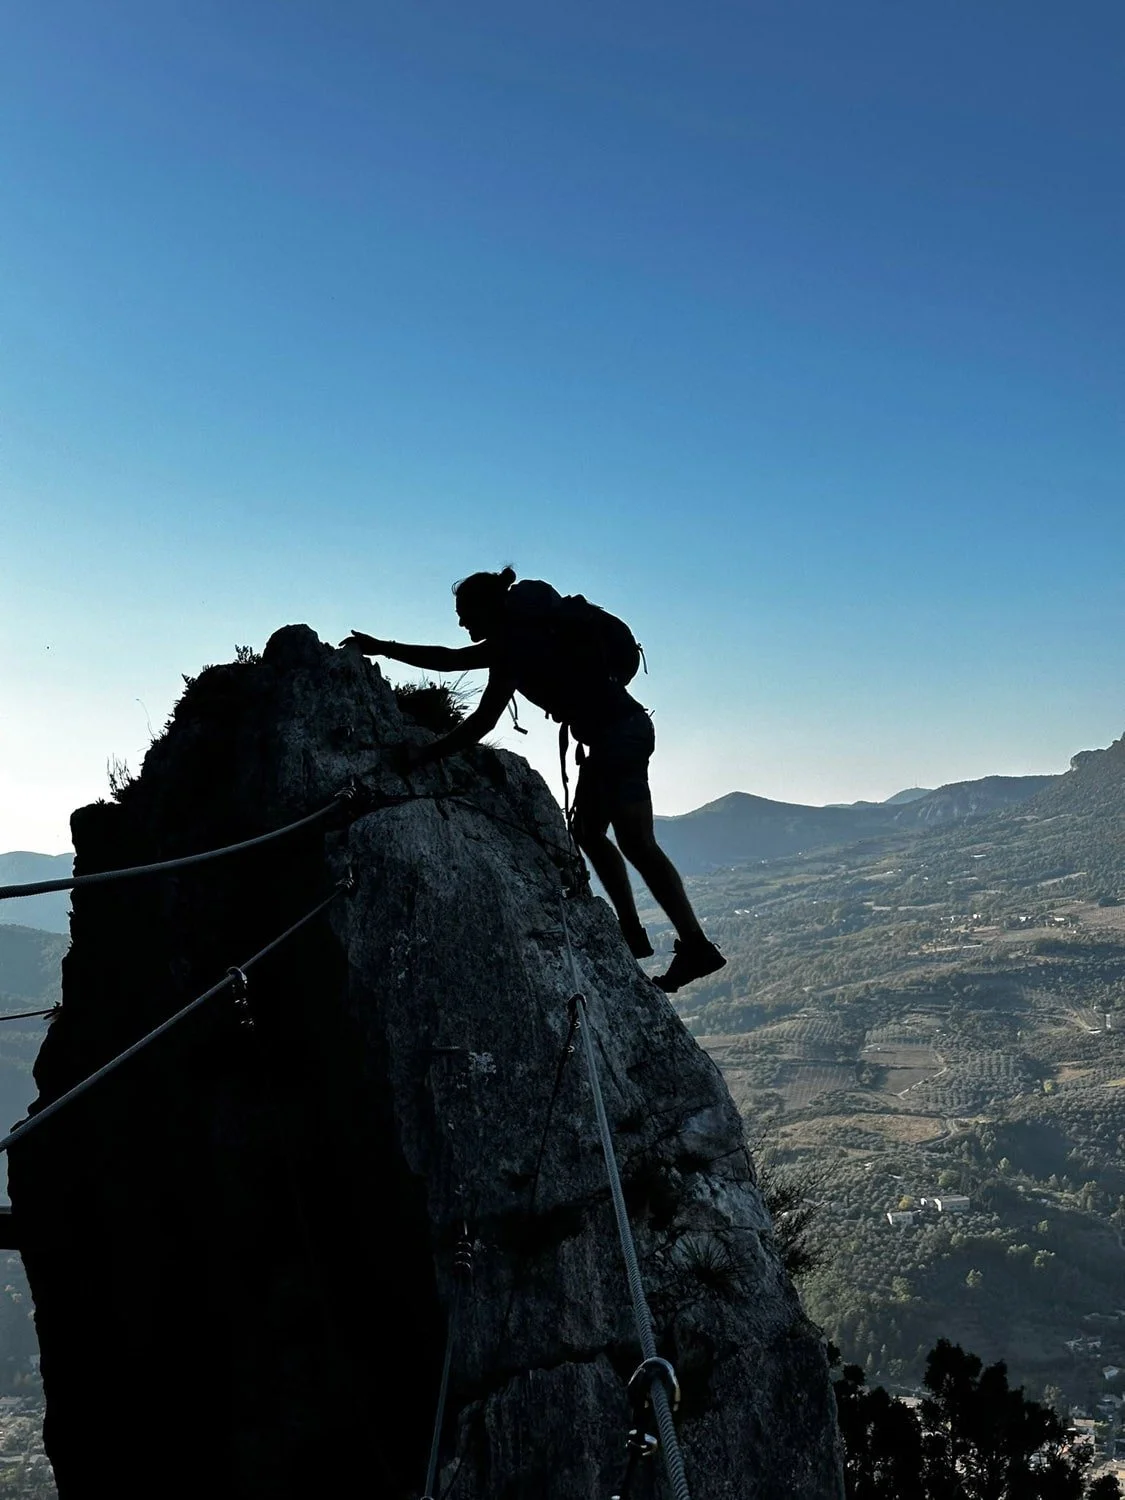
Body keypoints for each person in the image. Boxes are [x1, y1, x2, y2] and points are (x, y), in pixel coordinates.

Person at [340, 567, 726, 994]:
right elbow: (455, 662)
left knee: (633, 840)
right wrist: (382, 649)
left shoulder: (513, 644)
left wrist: (423, 750)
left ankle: (691, 945)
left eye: (465, 613)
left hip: (618, 736)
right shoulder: (529, 636)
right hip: (621, 734)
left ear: (487, 607)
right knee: (590, 832)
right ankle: (637, 933)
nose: (462, 622)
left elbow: (471, 700)